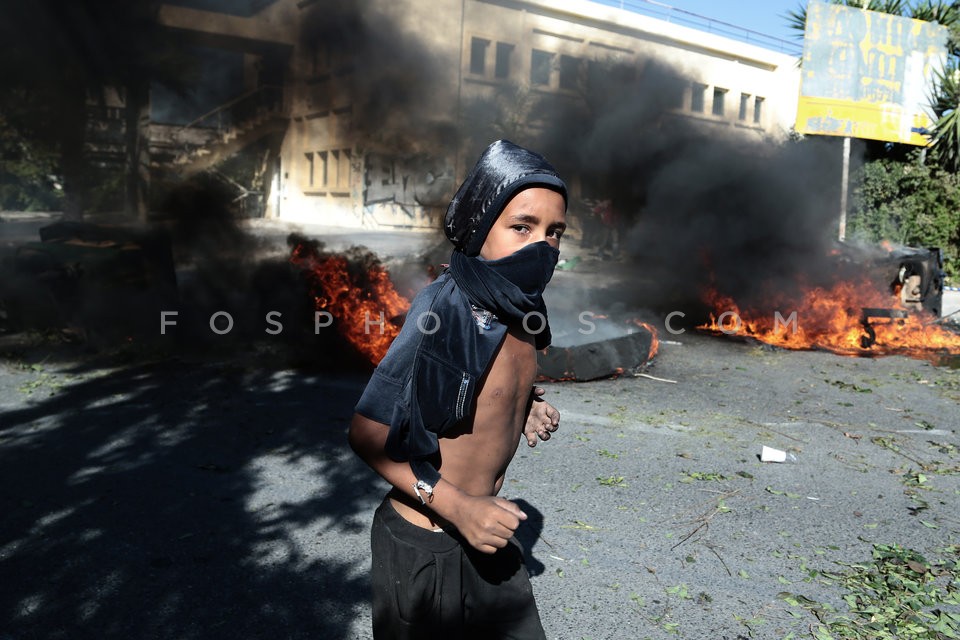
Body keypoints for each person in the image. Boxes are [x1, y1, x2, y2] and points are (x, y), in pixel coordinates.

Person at [348, 139, 567, 639]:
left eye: (555, 232)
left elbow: (483, 379)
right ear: (478, 226)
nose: (542, 246)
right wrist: (460, 508)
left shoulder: (520, 306)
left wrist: (526, 404)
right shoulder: (445, 310)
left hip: (483, 532)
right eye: (522, 227)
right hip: (426, 538)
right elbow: (364, 434)